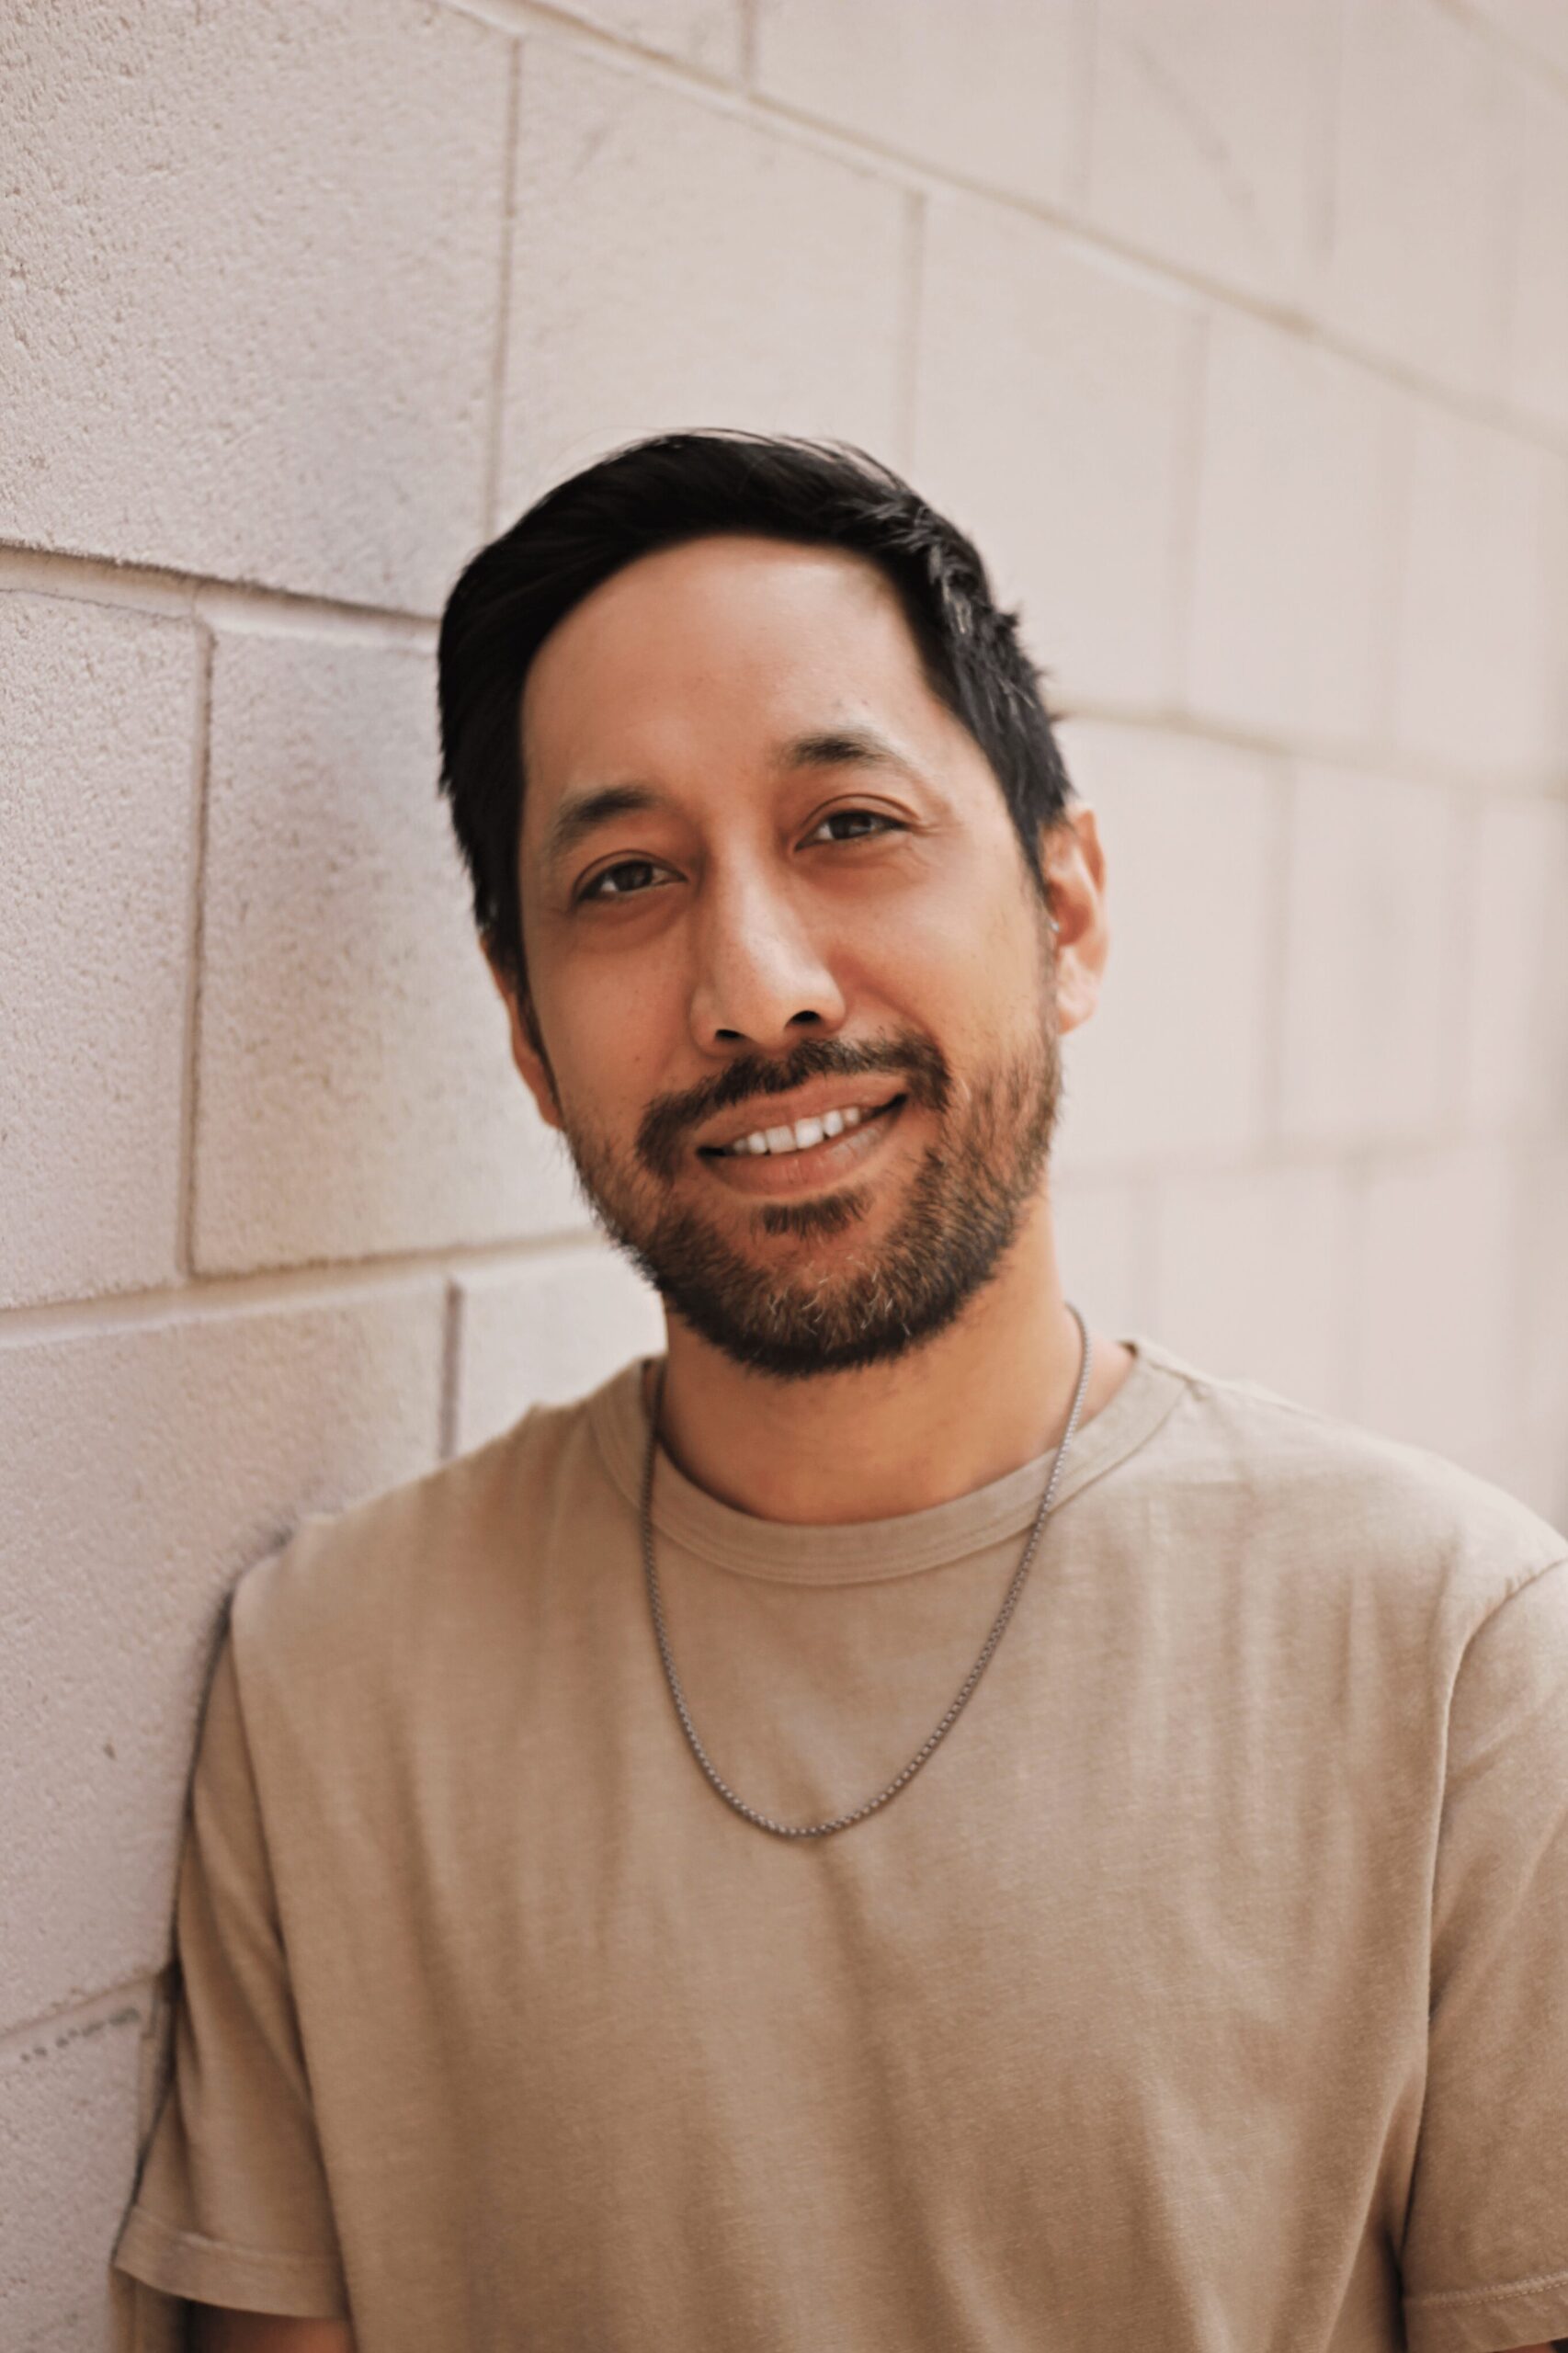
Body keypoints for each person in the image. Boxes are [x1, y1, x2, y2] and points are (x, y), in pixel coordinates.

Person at [110, 430, 1568, 2353]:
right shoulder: (335, 1672)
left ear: (1065, 913)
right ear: (528, 1033)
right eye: (625, 876)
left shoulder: (1451, 1652)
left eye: (845, 827)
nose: (755, 982)